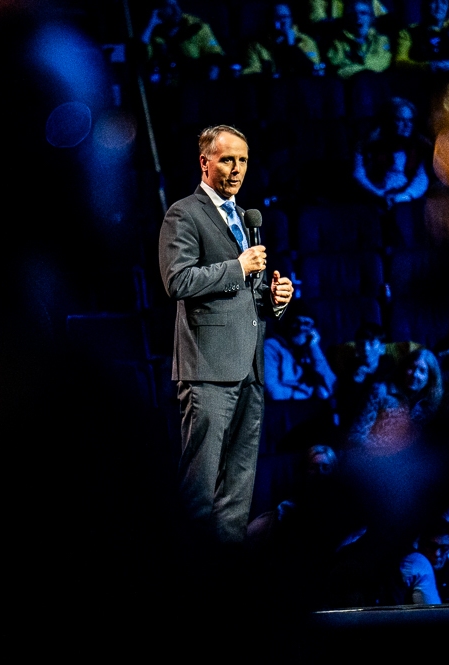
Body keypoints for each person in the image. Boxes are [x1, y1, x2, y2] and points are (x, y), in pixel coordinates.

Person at [158, 124, 294, 546]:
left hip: (249, 366)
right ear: (205, 162)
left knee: (237, 493)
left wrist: (276, 299)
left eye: (243, 161)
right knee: (199, 489)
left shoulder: (244, 216)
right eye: (227, 160)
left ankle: (226, 591)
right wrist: (238, 267)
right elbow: (177, 281)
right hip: (208, 369)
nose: (237, 169)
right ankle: (187, 584)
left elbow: (246, 293)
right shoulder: (184, 213)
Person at [352, 96, 432, 247]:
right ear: (388, 121)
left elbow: (422, 178)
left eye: (410, 120)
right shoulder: (367, 143)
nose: (406, 125)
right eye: (400, 120)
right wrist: (380, 195)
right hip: (374, 196)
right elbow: (358, 175)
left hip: (406, 199)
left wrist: (402, 197)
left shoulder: (420, 144)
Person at [140, 0, 225, 84]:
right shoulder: (155, 34)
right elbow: (141, 54)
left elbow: (215, 57)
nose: (176, 9)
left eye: (176, 4)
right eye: (169, 6)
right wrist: (150, 25)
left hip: (194, 85)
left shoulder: (197, 27)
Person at [264, 310, 337, 400]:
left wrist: (314, 348)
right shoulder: (271, 347)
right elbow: (272, 391)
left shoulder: (312, 351)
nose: (301, 328)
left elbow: (332, 386)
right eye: (296, 322)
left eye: (307, 324)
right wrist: (307, 395)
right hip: (282, 409)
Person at [240, 3, 323, 78]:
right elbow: (253, 71)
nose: (283, 21)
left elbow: (313, 70)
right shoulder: (256, 45)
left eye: (285, 17)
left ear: (291, 19)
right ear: (270, 20)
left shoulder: (306, 41)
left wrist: (292, 46)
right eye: (278, 17)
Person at [324, 0, 392, 79]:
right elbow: (338, 68)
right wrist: (365, 70)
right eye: (353, 14)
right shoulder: (338, 42)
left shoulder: (381, 40)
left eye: (363, 13)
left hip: (375, 83)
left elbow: (382, 63)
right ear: (348, 18)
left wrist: (357, 69)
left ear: (371, 17)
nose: (358, 17)